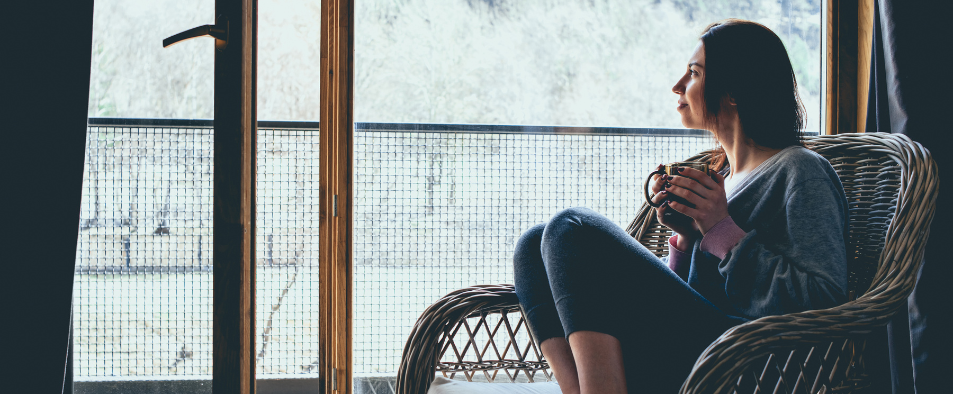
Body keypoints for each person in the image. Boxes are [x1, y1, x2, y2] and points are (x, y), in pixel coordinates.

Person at [513, 19, 849, 394]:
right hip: (694, 346)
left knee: (570, 227)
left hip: (746, 361)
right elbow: (699, 293)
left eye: (693, 73)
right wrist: (688, 238)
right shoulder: (720, 173)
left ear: (734, 90)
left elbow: (824, 299)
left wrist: (721, 229)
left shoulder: (800, 169)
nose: (677, 85)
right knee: (532, 243)